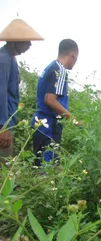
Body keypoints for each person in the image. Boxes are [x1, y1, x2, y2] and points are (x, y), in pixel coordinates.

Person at [0, 18, 43, 160]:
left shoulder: (10, 58)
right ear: (15, 41)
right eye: (26, 41)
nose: (30, 44)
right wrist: (4, 127)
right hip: (2, 125)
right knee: (4, 168)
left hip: (6, 124)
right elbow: (1, 94)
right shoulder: (4, 60)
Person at [32, 39, 79, 166]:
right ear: (73, 54)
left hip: (40, 124)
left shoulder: (50, 67)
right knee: (48, 169)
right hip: (49, 126)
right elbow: (50, 100)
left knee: (38, 166)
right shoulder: (60, 70)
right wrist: (74, 119)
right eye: (76, 58)